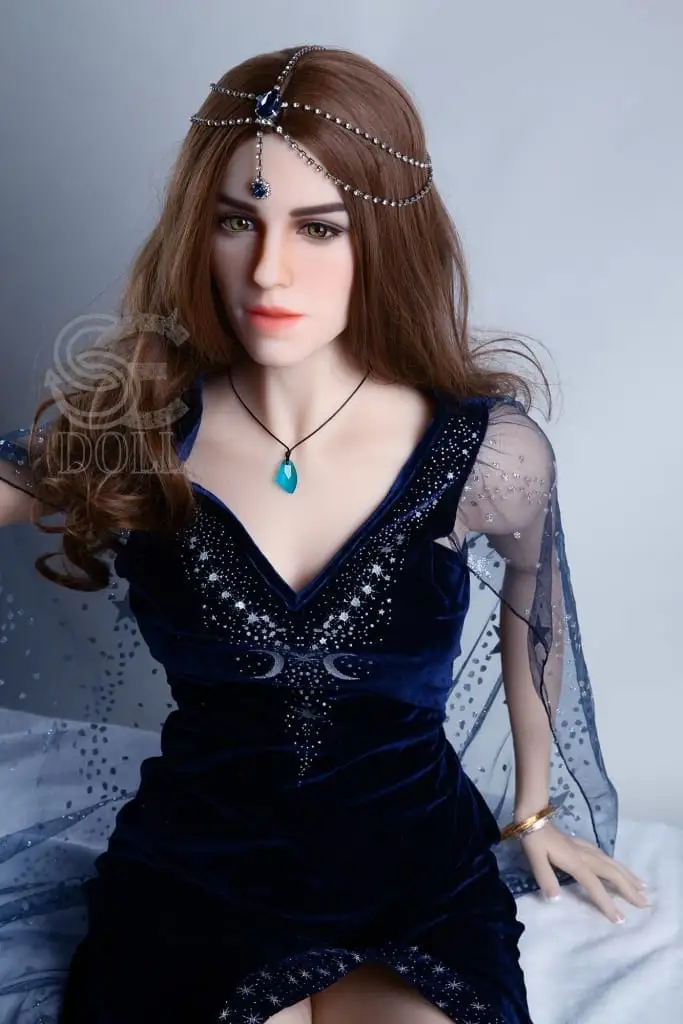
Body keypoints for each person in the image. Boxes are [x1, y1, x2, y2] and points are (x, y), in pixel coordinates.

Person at [0, 44, 648, 1024]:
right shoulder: (135, 438)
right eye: (236, 221)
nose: (268, 268)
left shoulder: (485, 455)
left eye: (318, 227)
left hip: (414, 870)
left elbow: (533, 604)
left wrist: (533, 808)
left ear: (383, 237)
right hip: (198, 873)